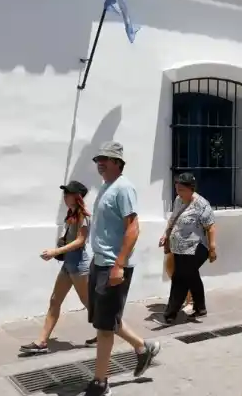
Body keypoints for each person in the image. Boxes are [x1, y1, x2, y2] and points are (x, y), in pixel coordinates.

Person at [83, 142, 161, 396]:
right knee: (106, 319)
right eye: (98, 159)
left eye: (106, 159)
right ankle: (143, 347)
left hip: (113, 265)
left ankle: (100, 382)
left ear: (118, 162)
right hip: (100, 262)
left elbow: (133, 227)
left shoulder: (124, 188)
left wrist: (119, 264)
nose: (100, 163)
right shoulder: (106, 187)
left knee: (104, 328)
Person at [20, 180, 97, 355]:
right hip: (69, 264)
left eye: (68, 193)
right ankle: (42, 342)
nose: (64, 196)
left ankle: (107, 331)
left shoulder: (84, 215)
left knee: (89, 303)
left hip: (79, 265)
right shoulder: (71, 213)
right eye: (64, 193)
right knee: (55, 300)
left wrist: (56, 251)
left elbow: (80, 241)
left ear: (77, 196)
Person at [159, 172, 217, 324]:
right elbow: (173, 218)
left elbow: (210, 227)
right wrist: (166, 235)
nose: (179, 193)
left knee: (180, 278)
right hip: (180, 249)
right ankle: (200, 308)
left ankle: (170, 315)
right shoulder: (179, 200)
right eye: (177, 189)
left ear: (191, 189)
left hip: (197, 248)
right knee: (191, 277)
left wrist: (212, 248)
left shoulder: (202, 204)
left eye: (182, 190)